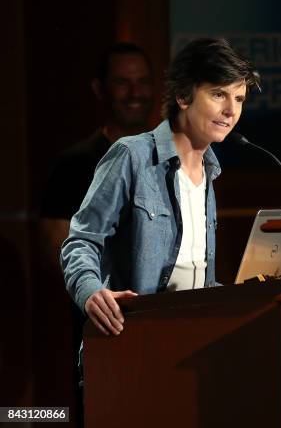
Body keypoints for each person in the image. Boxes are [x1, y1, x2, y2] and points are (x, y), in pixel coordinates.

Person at [61, 38, 260, 336]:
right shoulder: (132, 155)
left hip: (189, 340)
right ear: (183, 95)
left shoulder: (210, 169)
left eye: (239, 98)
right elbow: (80, 241)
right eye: (219, 94)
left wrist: (243, 295)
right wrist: (90, 291)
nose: (231, 110)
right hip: (134, 338)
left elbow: (192, 280)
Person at [40, 43, 154, 272]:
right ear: (99, 89)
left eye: (142, 82)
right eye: (122, 83)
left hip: (168, 305)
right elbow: (59, 254)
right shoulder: (72, 166)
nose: (135, 93)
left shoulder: (172, 158)